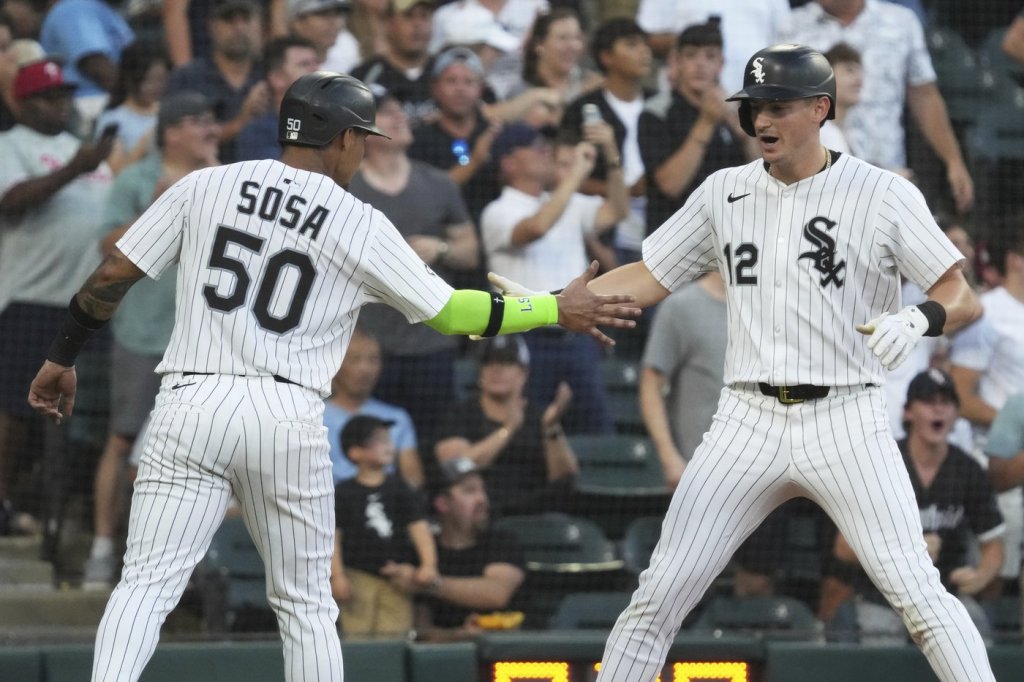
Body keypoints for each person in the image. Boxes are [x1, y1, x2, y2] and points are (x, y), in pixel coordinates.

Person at [25, 70, 636, 682]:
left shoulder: (207, 183)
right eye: (361, 137)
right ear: (341, 138)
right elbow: (454, 313)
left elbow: (113, 273)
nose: (364, 150)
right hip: (286, 414)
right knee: (306, 607)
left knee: (144, 587)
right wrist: (553, 307)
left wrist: (62, 356)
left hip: (192, 399)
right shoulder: (359, 221)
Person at [491, 43, 996, 682]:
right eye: (755, 106)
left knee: (919, 595)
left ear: (821, 108)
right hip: (746, 419)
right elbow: (649, 274)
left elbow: (961, 293)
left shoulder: (882, 193)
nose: (762, 119)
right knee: (657, 597)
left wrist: (918, 318)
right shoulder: (724, 191)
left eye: (778, 106)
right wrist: (548, 306)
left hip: (846, 416)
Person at [82, 91, 221, 589]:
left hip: (207, 341)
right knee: (123, 440)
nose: (210, 129)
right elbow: (107, 245)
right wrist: (159, 206)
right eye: (198, 120)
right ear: (171, 132)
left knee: (205, 451)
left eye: (212, 120)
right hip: (144, 334)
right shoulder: (137, 179)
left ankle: (190, 561)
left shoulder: (226, 180)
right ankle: (102, 548)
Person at [0, 59, 115, 536]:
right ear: (23, 103)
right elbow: (10, 201)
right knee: (12, 408)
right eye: (48, 97)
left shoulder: (82, 150)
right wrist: (74, 170)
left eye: (64, 96)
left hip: (86, 304)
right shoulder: (9, 145)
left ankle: (58, 507)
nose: (59, 105)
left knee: (77, 412)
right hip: (29, 297)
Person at [822, 369, 1005, 643]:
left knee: (974, 632)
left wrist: (981, 575)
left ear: (956, 414)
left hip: (946, 596)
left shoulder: (967, 470)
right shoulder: (881, 464)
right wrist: (905, 549)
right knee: (882, 641)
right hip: (883, 598)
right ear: (908, 413)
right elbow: (843, 548)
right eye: (929, 402)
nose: (938, 409)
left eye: (946, 402)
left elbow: (993, 543)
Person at [349, 84, 480, 442]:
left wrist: (441, 248)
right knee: (371, 446)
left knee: (436, 443)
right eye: (386, 112)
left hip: (431, 341)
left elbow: (471, 251)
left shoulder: (437, 183)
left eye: (399, 110)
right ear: (364, 131)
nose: (399, 117)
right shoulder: (347, 187)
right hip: (368, 346)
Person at [482, 122, 629, 433]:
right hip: (525, 337)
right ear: (509, 163)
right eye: (534, 148)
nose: (545, 152)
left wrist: (611, 155)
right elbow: (536, 228)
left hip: (575, 335)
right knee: (527, 432)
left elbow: (618, 210)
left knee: (597, 430)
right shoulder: (497, 210)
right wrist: (575, 175)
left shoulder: (567, 202)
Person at [784, 0, 974, 214]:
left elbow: (924, 95)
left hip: (885, 181)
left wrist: (953, 160)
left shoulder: (901, 22)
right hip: (816, 185)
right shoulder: (790, 25)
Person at [949, 232, 1024, 594]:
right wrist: (1015, 427)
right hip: (998, 458)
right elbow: (960, 396)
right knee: (995, 574)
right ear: (1014, 258)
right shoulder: (987, 312)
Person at [381, 456, 526, 642]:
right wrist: (458, 636)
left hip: (509, 650)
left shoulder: (502, 541)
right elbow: (421, 630)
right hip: (446, 654)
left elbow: (497, 594)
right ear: (442, 503)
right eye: (470, 491)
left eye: (482, 490)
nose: (482, 498)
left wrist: (429, 584)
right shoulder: (424, 554)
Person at [434, 335, 578, 516]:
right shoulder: (460, 415)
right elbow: (455, 469)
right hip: (483, 514)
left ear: (524, 372)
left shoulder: (540, 417)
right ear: (480, 371)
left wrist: (551, 428)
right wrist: (508, 429)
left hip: (534, 513)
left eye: (506, 362)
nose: (496, 369)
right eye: (489, 362)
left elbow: (564, 479)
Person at [330, 415, 437, 636]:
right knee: (357, 637)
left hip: (397, 578)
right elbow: (333, 537)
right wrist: (337, 576)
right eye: (378, 440)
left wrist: (428, 565)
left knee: (395, 635)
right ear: (355, 452)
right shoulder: (343, 493)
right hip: (356, 577)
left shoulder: (401, 489)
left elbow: (419, 528)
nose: (388, 445)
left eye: (388, 439)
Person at [637, 19, 746, 237]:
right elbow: (670, 185)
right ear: (677, 62)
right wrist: (706, 122)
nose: (700, 64)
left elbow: (761, 174)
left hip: (728, 234)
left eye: (710, 56)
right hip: (672, 237)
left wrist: (746, 136)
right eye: (691, 55)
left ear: (721, 64)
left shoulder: (735, 110)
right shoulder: (655, 112)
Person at [560, 18, 653, 265]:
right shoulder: (581, 109)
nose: (644, 51)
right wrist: (625, 191)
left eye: (645, 44)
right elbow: (564, 173)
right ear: (606, 56)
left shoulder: (660, 104)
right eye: (631, 45)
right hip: (603, 230)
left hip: (660, 225)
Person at [639, 272, 725, 488]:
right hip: (699, 470)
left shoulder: (772, 309)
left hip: (761, 469)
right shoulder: (681, 306)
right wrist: (669, 457)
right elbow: (651, 385)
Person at [406, 46, 502, 226]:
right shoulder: (419, 140)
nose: (460, 89)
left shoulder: (495, 133)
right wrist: (475, 160)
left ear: (480, 88)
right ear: (435, 87)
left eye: (469, 82)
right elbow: (426, 196)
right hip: (443, 230)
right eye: (451, 81)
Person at [165, 0, 266, 163]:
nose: (239, 28)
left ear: (260, 25)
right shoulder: (188, 78)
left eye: (246, 19)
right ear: (212, 26)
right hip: (204, 174)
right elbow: (178, 143)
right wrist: (241, 121)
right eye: (229, 19)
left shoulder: (271, 74)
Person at [325, 327, 422, 488]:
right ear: (335, 365)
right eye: (355, 360)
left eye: (373, 360)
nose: (365, 369)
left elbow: (413, 480)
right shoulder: (315, 416)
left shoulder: (397, 417)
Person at [39, 0, 135, 135]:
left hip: (113, 98)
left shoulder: (107, 9)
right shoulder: (75, 7)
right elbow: (96, 65)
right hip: (87, 101)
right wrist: (135, 95)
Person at [351, 0, 438, 128]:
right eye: (408, 16)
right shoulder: (364, 77)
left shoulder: (449, 73)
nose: (418, 24)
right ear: (388, 23)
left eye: (424, 16)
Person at [235, 36, 320, 162]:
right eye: (304, 64)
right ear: (278, 78)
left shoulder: (331, 124)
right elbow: (273, 172)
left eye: (316, 63)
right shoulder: (259, 133)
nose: (316, 71)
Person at [94, 41, 170, 175]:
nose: (156, 87)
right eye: (149, 80)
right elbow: (117, 173)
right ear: (130, 79)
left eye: (161, 80)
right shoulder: (113, 120)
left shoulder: (169, 110)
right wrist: (146, 141)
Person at [819, 42, 861, 155]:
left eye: (859, 72)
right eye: (849, 71)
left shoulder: (851, 135)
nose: (859, 80)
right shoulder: (818, 134)